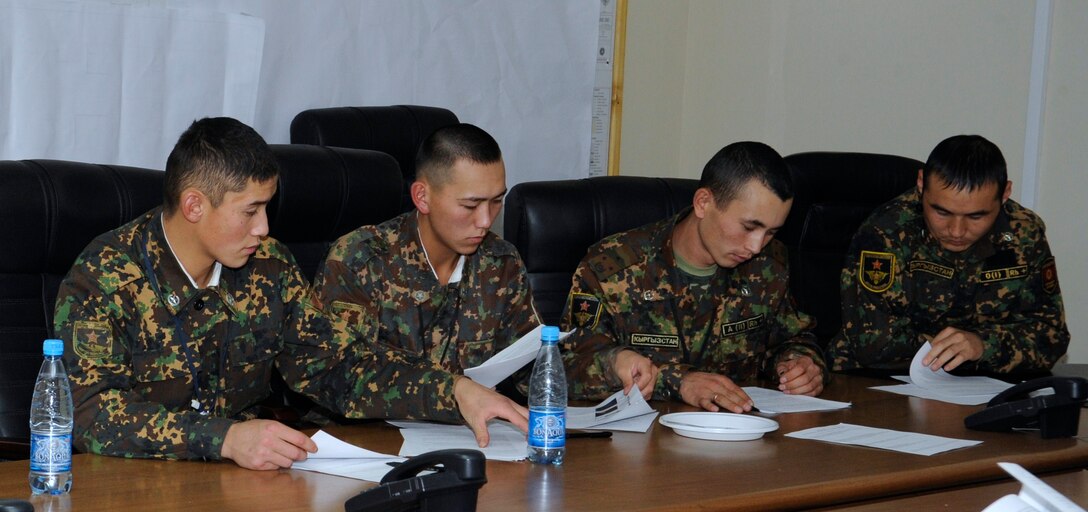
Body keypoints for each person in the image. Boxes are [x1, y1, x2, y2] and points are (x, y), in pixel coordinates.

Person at [54, 117, 369, 470]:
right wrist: (224, 438)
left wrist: (440, 394)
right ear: (194, 206)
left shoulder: (269, 265)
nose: (263, 228)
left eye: (266, 207)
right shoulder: (104, 277)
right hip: (134, 481)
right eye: (250, 211)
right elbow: (89, 415)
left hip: (244, 481)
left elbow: (335, 366)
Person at [313, 123, 538, 447]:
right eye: (471, 205)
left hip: (474, 445)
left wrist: (606, 364)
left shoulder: (500, 263)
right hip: (363, 447)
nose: (486, 221)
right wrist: (454, 391)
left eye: (496, 202)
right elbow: (340, 377)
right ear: (423, 196)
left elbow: (532, 365)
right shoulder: (360, 259)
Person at [562, 141, 827, 414]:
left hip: (738, 436)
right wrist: (677, 381)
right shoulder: (612, 268)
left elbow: (793, 338)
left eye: (771, 232)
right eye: (749, 227)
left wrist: (802, 364)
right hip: (640, 443)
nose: (757, 246)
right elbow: (565, 368)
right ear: (703, 203)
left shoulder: (769, 265)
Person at [830, 135, 1069, 375]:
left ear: (1005, 194)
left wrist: (983, 345)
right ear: (921, 183)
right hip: (883, 383)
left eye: (976, 217)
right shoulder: (886, 232)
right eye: (941, 212)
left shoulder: (1024, 233)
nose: (956, 231)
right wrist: (957, 349)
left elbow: (1051, 336)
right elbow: (873, 344)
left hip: (986, 386)